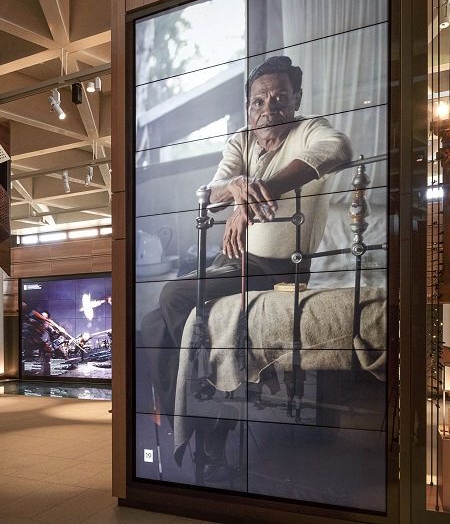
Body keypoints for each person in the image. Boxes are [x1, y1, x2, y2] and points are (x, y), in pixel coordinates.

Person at [140, 55, 352, 440]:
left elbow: (339, 149)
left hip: (277, 268)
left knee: (171, 294)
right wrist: (239, 189)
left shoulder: (308, 130)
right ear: (248, 107)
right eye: (259, 101)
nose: (269, 108)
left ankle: (213, 391)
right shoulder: (240, 140)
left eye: (279, 98)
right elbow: (207, 194)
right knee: (152, 322)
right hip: (234, 263)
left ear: (296, 99)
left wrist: (261, 192)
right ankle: (187, 425)